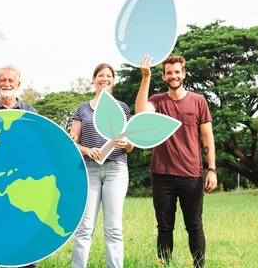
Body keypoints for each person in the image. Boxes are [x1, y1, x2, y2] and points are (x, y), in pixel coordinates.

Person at [135, 55, 217, 267]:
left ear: (184, 74)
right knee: (164, 227)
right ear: (163, 76)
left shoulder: (198, 101)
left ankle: (199, 265)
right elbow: (141, 114)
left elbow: (207, 136)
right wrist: (145, 77)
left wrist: (212, 169)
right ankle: (165, 265)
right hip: (162, 175)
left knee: (195, 226)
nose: (174, 75)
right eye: (169, 72)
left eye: (177, 72)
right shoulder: (157, 101)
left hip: (192, 174)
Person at [70, 63, 134, 268]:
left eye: (109, 76)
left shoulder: (122, 108)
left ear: (114, 81)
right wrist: (87, 150)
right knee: (84, 227)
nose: (104, 79)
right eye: (100, 75)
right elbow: (73, 142)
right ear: (93, 79)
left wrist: (128, 144)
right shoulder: (82, 109)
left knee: (114, 228)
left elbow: (131, 145)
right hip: (89, 170)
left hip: (116, 168)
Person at [0, 63, 35, 268]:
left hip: (21, 180)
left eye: (11, 80)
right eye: (3, 80)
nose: (7, 83)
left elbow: (36, 145)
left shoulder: (29, 111)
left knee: (24, 225)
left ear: (18, 83)